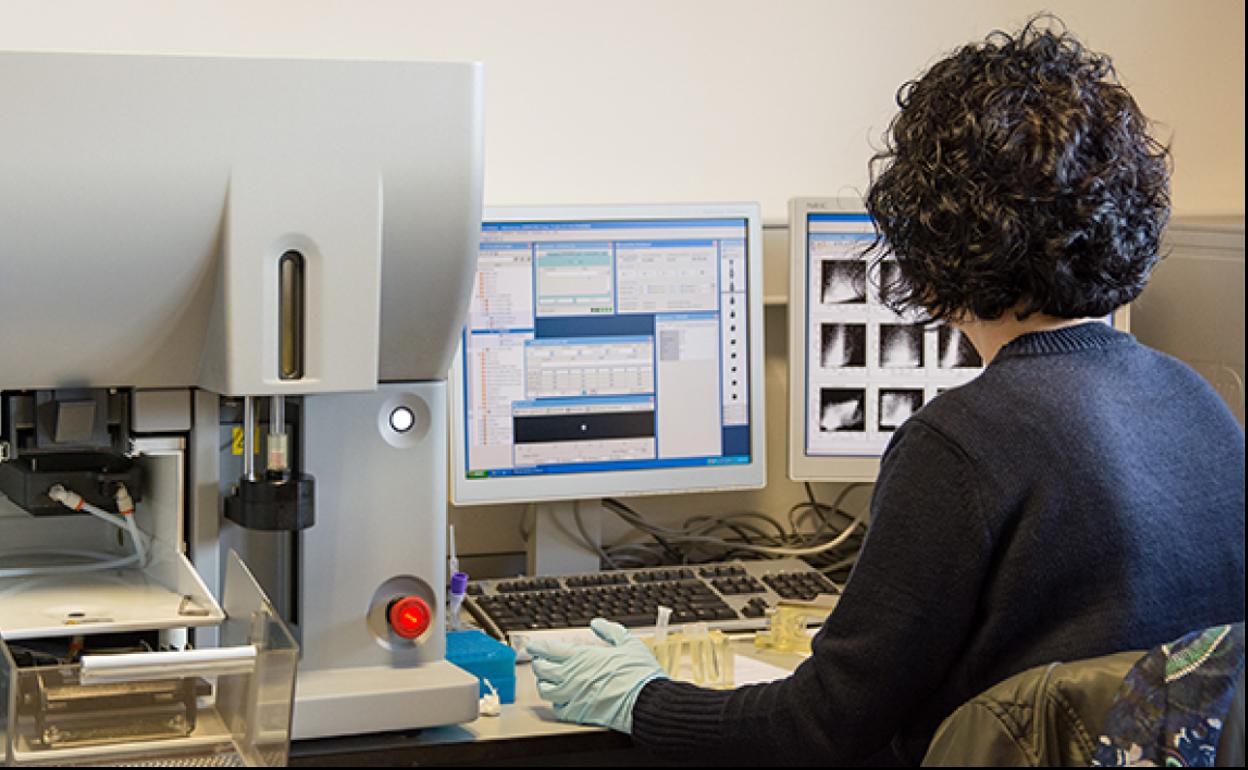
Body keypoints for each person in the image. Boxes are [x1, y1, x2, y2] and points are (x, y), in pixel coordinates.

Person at [526, 16, 1246, 765]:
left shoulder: (963, 444)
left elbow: (820, 730)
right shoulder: (1198, 401)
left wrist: (641, 699)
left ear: (931, 252)